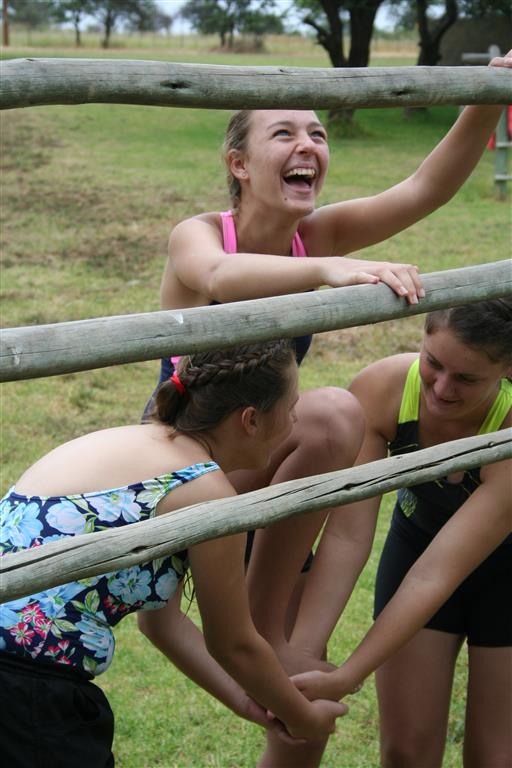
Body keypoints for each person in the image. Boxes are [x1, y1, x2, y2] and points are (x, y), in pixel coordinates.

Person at [144, 51, 511, 766]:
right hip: (188, 470)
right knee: (334, 414)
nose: (307, 144)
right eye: (283, 133)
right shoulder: (203, 233)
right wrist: (331, 269)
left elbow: (425, 188)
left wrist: (486, 98)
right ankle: (267, 640)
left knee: (300, 708)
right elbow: (217, 274)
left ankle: (284, 643)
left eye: (317, 132)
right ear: (238, 164)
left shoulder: (313, 235)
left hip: (262, 466)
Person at [0, 340, 348, 768]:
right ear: (251, 420)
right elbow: (234, 643)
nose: (295, 420)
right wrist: (304, 718)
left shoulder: (133, 443)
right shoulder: (205, 491)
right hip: (27, 692)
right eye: (291, 408)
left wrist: (248, 703)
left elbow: (162, 624)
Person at [290, 298, 512, 768]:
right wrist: (306, 651)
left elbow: (438, 573)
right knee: (407, 753)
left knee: (496, 758)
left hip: (505, 578)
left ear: (507, 369)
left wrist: (348, 675)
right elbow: (347, 535)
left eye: (467, 378)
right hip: (417, 545)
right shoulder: (384, 388)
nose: (443, 388)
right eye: (434, 363)